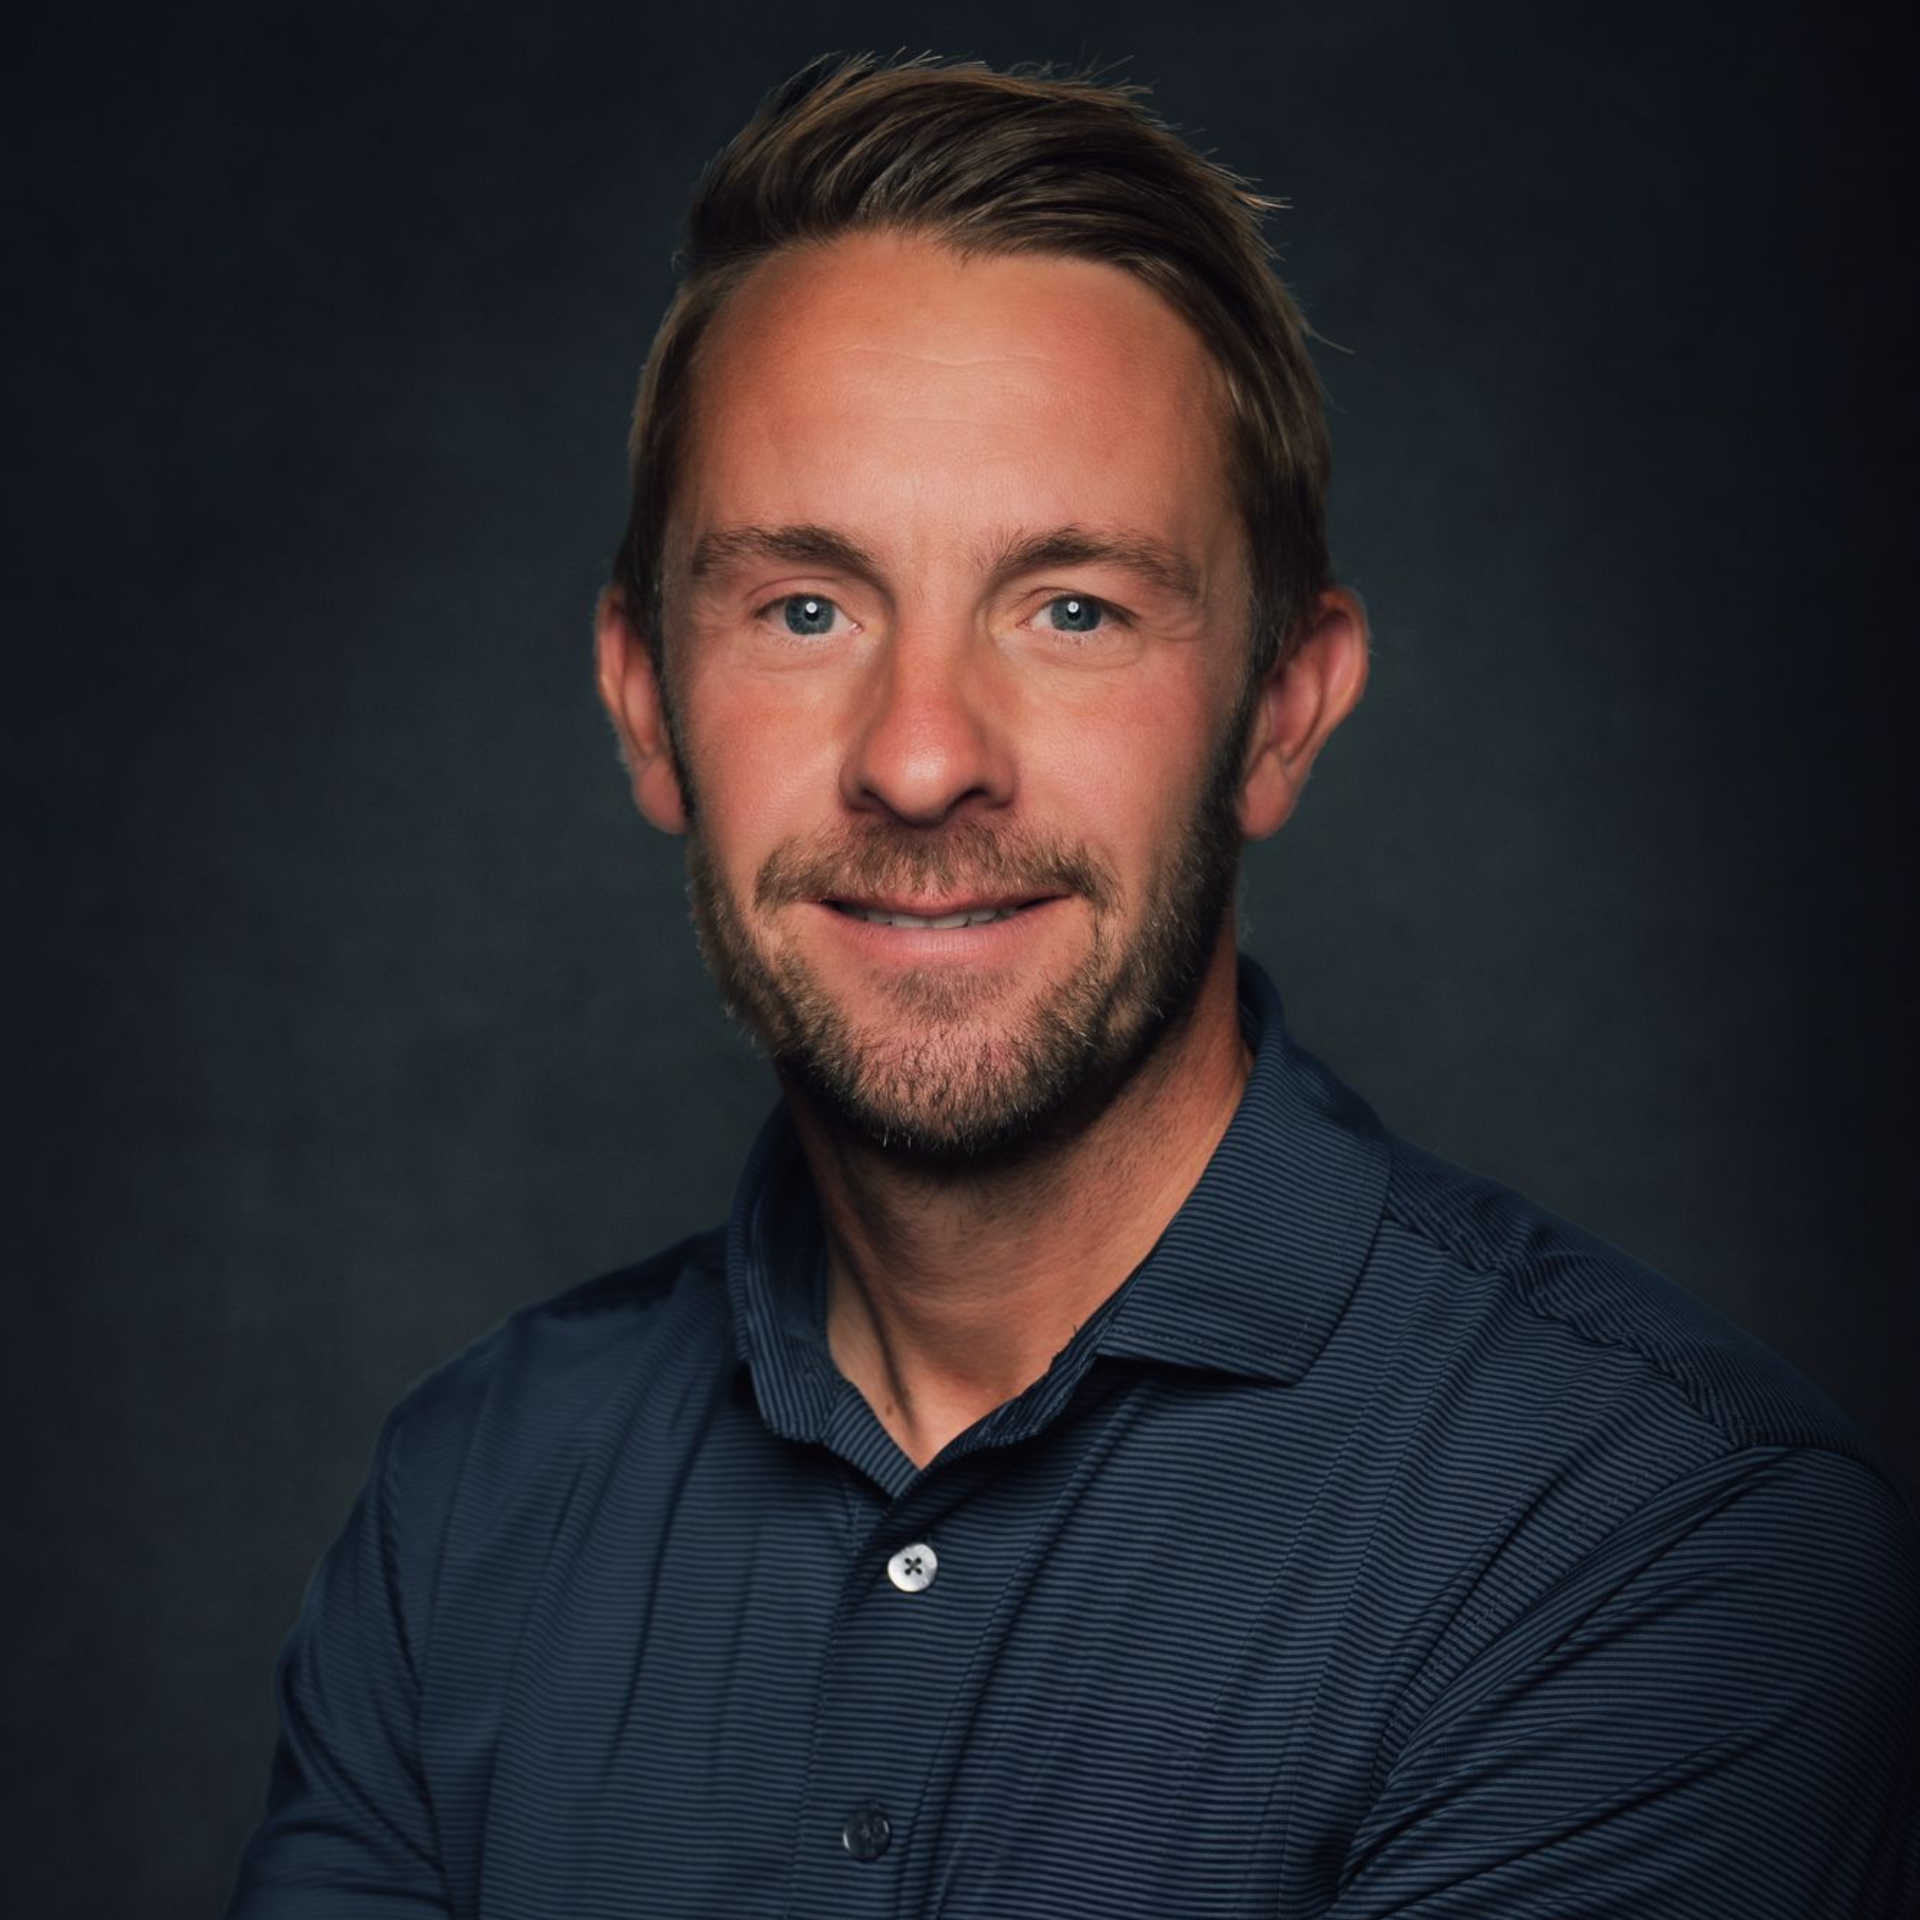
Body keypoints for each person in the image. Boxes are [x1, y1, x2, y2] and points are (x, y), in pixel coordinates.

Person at [227, 52, 1919, 1919]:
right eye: (806, 608)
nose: (925, 756)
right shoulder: (471, 1498)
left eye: (1072, 609)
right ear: (645, 704)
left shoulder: (1660, 1542)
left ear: (1280, 709)